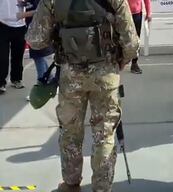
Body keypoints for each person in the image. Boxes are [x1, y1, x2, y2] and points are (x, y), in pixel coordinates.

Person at [26, 0, 139, 191]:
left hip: (70, 75)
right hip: (105, 72)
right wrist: (121, 61)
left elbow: (36, 39)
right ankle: (102, 187)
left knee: (70, 132)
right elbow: (131, 42)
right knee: (104, 133)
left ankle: (71, 183)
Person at [17, 0, 54, 101]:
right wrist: (24, 4)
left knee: (38, 59)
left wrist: (23, 14)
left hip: (39, 33)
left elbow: (41, 10)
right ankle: (50, 80)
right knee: (39, 58)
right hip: (35, 31)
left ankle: (41, 91)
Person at [0, 0, 27, 94]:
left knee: (18, 56)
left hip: (20, 25)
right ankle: (1, 83)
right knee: (2, 57)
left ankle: (16, 79)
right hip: (2, 24)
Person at [127, 0, 152, 74]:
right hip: (123, 13)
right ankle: (119, 62)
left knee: (136, 39)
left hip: (137, 14)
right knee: (121, 38)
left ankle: (134, 63)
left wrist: (149, 13)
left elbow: (147, 0)